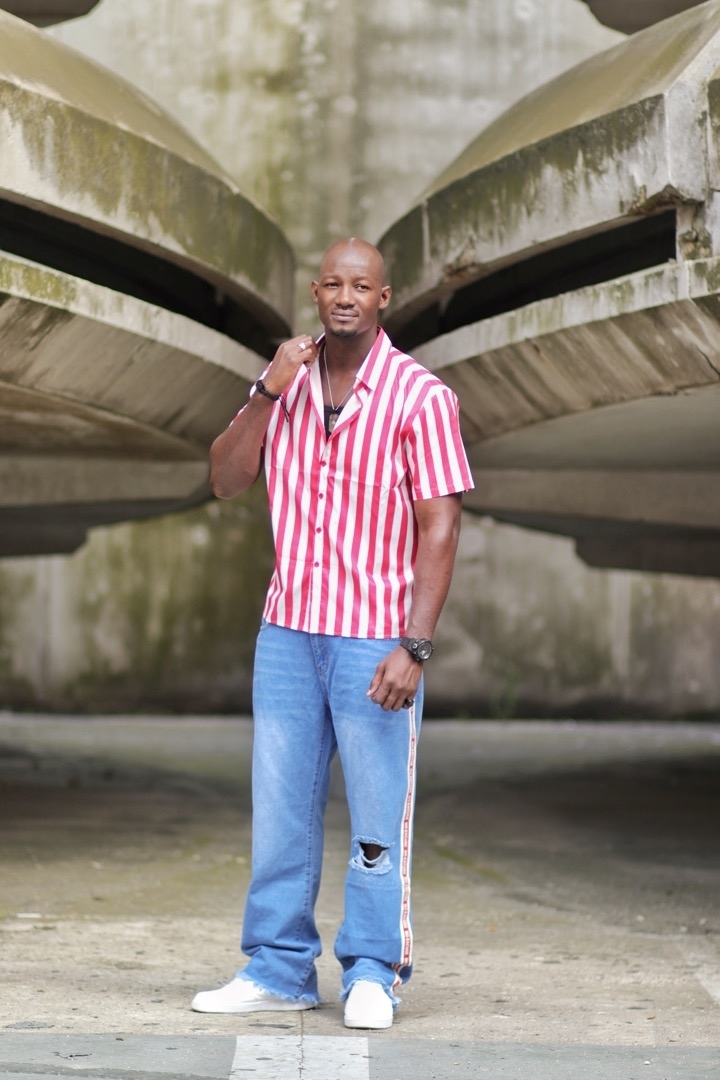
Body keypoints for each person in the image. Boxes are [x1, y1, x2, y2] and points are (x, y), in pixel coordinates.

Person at [192, 237, 473, 1029]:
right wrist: (264, 392)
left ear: (384, 298)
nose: (346, 297)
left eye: (362, 286)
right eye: (333, 285)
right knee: (280, 811)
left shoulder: (421, 397)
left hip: (374, 639)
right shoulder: (284, 385)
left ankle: (374, 971)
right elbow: (225, 479)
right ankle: (277, 967)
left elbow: (441, 527)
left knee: (378, 820)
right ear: (316, 294)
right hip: (288, 632)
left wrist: (414, 646)